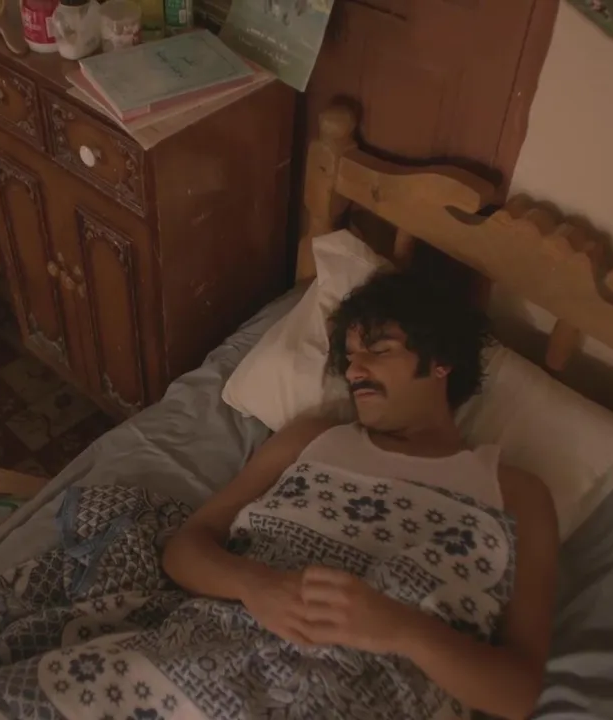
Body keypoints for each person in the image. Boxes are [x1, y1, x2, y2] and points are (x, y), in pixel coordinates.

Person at [162, 271, 560, 719]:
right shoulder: (310, 439)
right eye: (350, 356)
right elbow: (184, 549)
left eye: (379, 350)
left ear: (441, 360)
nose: (353, 370)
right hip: (213, 657)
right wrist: (253, 585)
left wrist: (400, 630)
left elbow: (518, 694)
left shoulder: (517, 494)